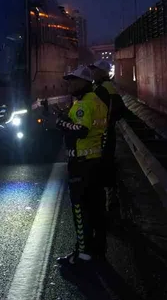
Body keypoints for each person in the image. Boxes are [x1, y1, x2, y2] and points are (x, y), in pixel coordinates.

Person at [56, 65, 109, 268]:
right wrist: (67, 117)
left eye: (73, 81)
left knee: (79, 208)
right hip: (96, 161)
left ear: (84, 82)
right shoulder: (98, 101)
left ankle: (82, 253)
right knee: (96, 208)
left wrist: (61, 123)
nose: (69, 84)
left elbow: (81, 130)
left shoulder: (84, 104)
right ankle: (98, 249)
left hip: (81, 164)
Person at [89, 59, 129, 216]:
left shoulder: (104, 89)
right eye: (93, 70)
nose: (93, 72)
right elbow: (121, 112)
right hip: (105, 132)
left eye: (96, 70)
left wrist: (105, 123)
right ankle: (109, 200)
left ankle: (109, 203)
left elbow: (117, 110)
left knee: (104, 165)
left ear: (103, 72)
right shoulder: (104, 87)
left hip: (103, 134)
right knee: (106, 164)